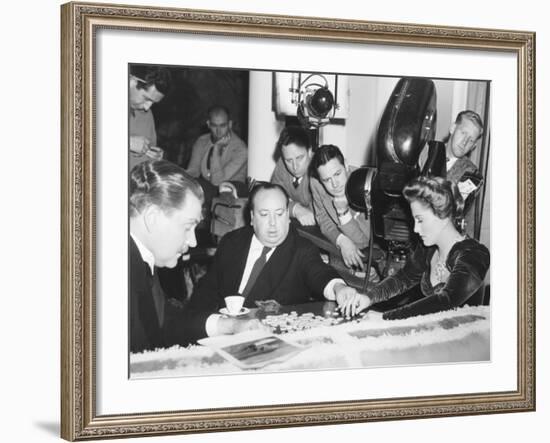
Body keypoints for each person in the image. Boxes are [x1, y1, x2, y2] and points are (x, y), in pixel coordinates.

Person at [186, 183, 362, 340]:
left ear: (287, 215)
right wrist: (196, 328)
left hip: (265, 341)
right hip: (219, 332)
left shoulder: (301, 249)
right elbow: (207, 290)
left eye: (279, 214)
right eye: (264, 215)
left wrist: (339, 288)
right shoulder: (232, 241)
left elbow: (319, 273)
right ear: (252, 217)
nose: (273, 224)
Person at [339, 176, 490, 320]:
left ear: (443, 216)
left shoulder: (475, 254)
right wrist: (368, 298)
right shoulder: (428, 249)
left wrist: (387, 318)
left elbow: (445, 301)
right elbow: (402, 278)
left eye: (420, 220)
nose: (416, 229)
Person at [129, 160, 209, 352]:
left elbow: (162, 320)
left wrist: (223, 325)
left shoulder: (143, 258)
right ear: (152, 218)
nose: (193, 242)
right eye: (188, 227)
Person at [309, 144, 370, 271]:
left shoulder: (364, 186)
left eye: (337, 174)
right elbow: (323, 220)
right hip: (341, 251)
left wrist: (343, 212)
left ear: (346, 165)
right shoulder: (316, 183)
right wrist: (341, 241)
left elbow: (363, 242)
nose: (335, 184)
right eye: (326, 180)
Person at [186, 105, 248, 190]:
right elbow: (193, 172)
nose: (218, 131)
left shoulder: (240, 149)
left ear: (230, 124)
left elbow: (217, 182)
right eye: (214, 126)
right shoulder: (201, 141)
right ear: (208, 124)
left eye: (223, 126)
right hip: (207, 189)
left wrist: (216, 150)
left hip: (232, 192)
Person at [129, 66, 172, 170]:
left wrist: (155, 158)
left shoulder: (147, 114)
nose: (147, 107)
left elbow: (150, 148)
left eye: (153, 102)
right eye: (146, 98)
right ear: (132, 82)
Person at [270, 126, 315, 226]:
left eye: (299, 158)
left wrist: (287, 205)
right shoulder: (282, 164)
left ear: (310, 152)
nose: (295, 166)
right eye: (289, 160)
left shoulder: (319, 169)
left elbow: (317, 213)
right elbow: (273, 199)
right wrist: (295, 209)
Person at [444, 110, 484, 200]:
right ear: (452, 128)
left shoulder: (472, 176)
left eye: (471, 140)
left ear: (473, 146)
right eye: (463, 133)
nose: (464, 142)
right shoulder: (425, 151)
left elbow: (454, 210)